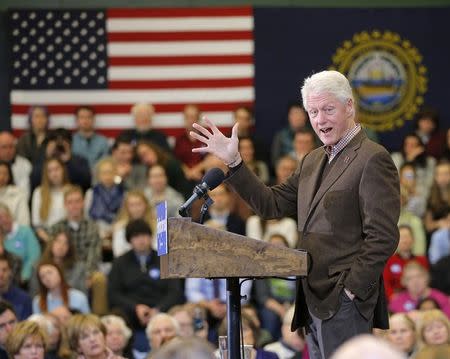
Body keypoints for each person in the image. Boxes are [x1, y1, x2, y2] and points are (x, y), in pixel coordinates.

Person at [190, 70, 400, 359]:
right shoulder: (313, 159)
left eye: (328, 109)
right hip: (312, 299)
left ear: (349, 106)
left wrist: (351, 290)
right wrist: (234, 162)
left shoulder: (373, 158)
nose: (320, 120)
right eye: (313, 111)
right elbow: (270, 205)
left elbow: (384, 236)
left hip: (345, 300)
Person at [30, 128, 92, 193]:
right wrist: (47, 157)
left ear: (70, 144)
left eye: (63, 142)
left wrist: (69, 161)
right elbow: (34, 181)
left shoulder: (80, 161)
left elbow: (86, 183)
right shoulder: (41, 160)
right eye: (55, 142)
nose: (59, 146)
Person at [383, 225, 428, 299]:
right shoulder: (389, 261)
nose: (405, 240)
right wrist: (393, 297)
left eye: (407, 236)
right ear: (396, 240)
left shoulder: (422, 260)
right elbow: (385, 283)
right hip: (397, 299)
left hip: (420, 298)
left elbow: (426, 281)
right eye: (402, 237)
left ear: (413, 240)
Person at [31, 157, 70, 243]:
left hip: (67, 237)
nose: (54, 173)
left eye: (57, 169)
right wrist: (51, 242)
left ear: (63, 170)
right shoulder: (39, 192)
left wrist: (62, 242)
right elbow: (37, 226)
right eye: (50, 171)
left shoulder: (71, 191)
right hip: (45, 238)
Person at [0, 203, 40, 284]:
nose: (4, 220)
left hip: (25, 277)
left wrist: (24, 275)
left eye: (6, 216)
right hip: (5, 278)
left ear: (10, 215)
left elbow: (34, 255)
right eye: (0, 218)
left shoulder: (25, 231)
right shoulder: (1, 237)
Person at [71, 106, 110, 171]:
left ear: (94, 119)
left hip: (98, 178)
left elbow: (105, 163)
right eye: (82, 117)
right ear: (76, 120)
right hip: (76, 178)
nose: (85, 120)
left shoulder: (103, 141)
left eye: (88, 117)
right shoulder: (70, 140)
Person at [0, 131, 32, 200]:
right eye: (4, 147)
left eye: (11, 147)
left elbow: (25, 194)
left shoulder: (25, 164)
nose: (8, 151)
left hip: (18, 205)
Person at [0, 254, 32, 320]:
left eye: (4, 270)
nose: (1, 274)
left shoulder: (24, 299)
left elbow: (26, 327)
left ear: (10, 272)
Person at [0, 161, 30, 226]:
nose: (1, 177)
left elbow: (24, 223)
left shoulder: (18, 194)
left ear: (9, 176)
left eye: (5, 173)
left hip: (13, 233)